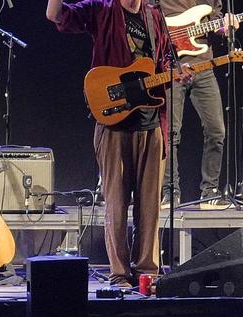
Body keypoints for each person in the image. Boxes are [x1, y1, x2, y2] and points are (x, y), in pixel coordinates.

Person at [46, 0, 176, 288]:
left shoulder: (154, 15)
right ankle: (119, 274)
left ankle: (147, 272)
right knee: (116, 204)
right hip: (114, 123)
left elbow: (164, 60)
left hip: (152, 122)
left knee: (150, 207)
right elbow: (56, 15)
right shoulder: (102, 9)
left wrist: (177, 72)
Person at [158, 0, 237, 206]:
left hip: (204, 65)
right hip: (171, 67)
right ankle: (169, 192)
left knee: (216, 131)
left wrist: (223, 26)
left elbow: (215, 19)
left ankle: (209, 191)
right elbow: (145, 16)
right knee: (170, 134)